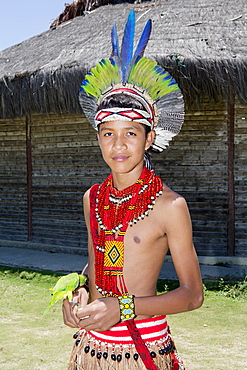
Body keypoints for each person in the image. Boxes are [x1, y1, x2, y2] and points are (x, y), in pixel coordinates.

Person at [62, 10, 203, 370]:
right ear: (97, 138)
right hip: (93, 347)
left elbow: (192, 296)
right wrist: (76, 292)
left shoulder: (170, 206)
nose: (118, 145)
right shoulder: (92, 198)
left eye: (131, 133)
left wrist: (122, 307)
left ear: (149, 138)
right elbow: (98, 261)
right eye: (108, 133)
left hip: (142, 348)